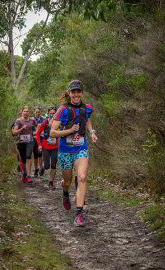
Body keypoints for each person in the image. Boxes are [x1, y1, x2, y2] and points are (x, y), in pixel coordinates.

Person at [50, 80, 98, 226]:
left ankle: (79, 213)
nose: (76, 94)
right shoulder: (62, 110)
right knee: (68, 182)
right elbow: (52, 133)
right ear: (69, 93)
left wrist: (92, 132)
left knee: (82, 177)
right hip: (65, 150)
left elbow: (87, 121)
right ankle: (65, 193)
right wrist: (70, 131)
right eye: (73, 92)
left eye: (78, 91)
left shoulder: (86, 108)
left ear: (82, 93)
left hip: (80, 148)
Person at [35, 107, 58, 188]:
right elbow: (37, 134)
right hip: (46, 147)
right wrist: (40, 145)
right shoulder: (45, 123)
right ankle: (44, 166)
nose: (52, 114)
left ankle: (51, 182)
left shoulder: (59, 123)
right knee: (47, 166)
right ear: (48, 113)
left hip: (55, 146)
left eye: (54, 113)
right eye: (51, 113)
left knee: (54, 165)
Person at [13, 106, 37, 183]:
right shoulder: (18, 121)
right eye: (24, 111)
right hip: (21, 142)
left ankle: (29, 176)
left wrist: (36, 132)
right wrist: (22, 128)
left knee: (28, 156)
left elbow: (37, 128)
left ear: (29, 112)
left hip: (30, 141)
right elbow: (15, 132)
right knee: (23, 160)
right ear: (22, 112)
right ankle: (24, 173)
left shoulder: (32, 120)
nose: (26, 113)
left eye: (27, 111)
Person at [33, 107, 45, 177]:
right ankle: (36, 169)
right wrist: (36, 132)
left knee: (40, 154)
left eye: (38, 112)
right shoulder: (32, 120)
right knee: (35, 155)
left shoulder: (43, 119)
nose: (37, 113)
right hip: (34, 138)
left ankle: (41, 168)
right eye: (36, 112)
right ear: (34, 112)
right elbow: (30, 130)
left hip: (42, 138)